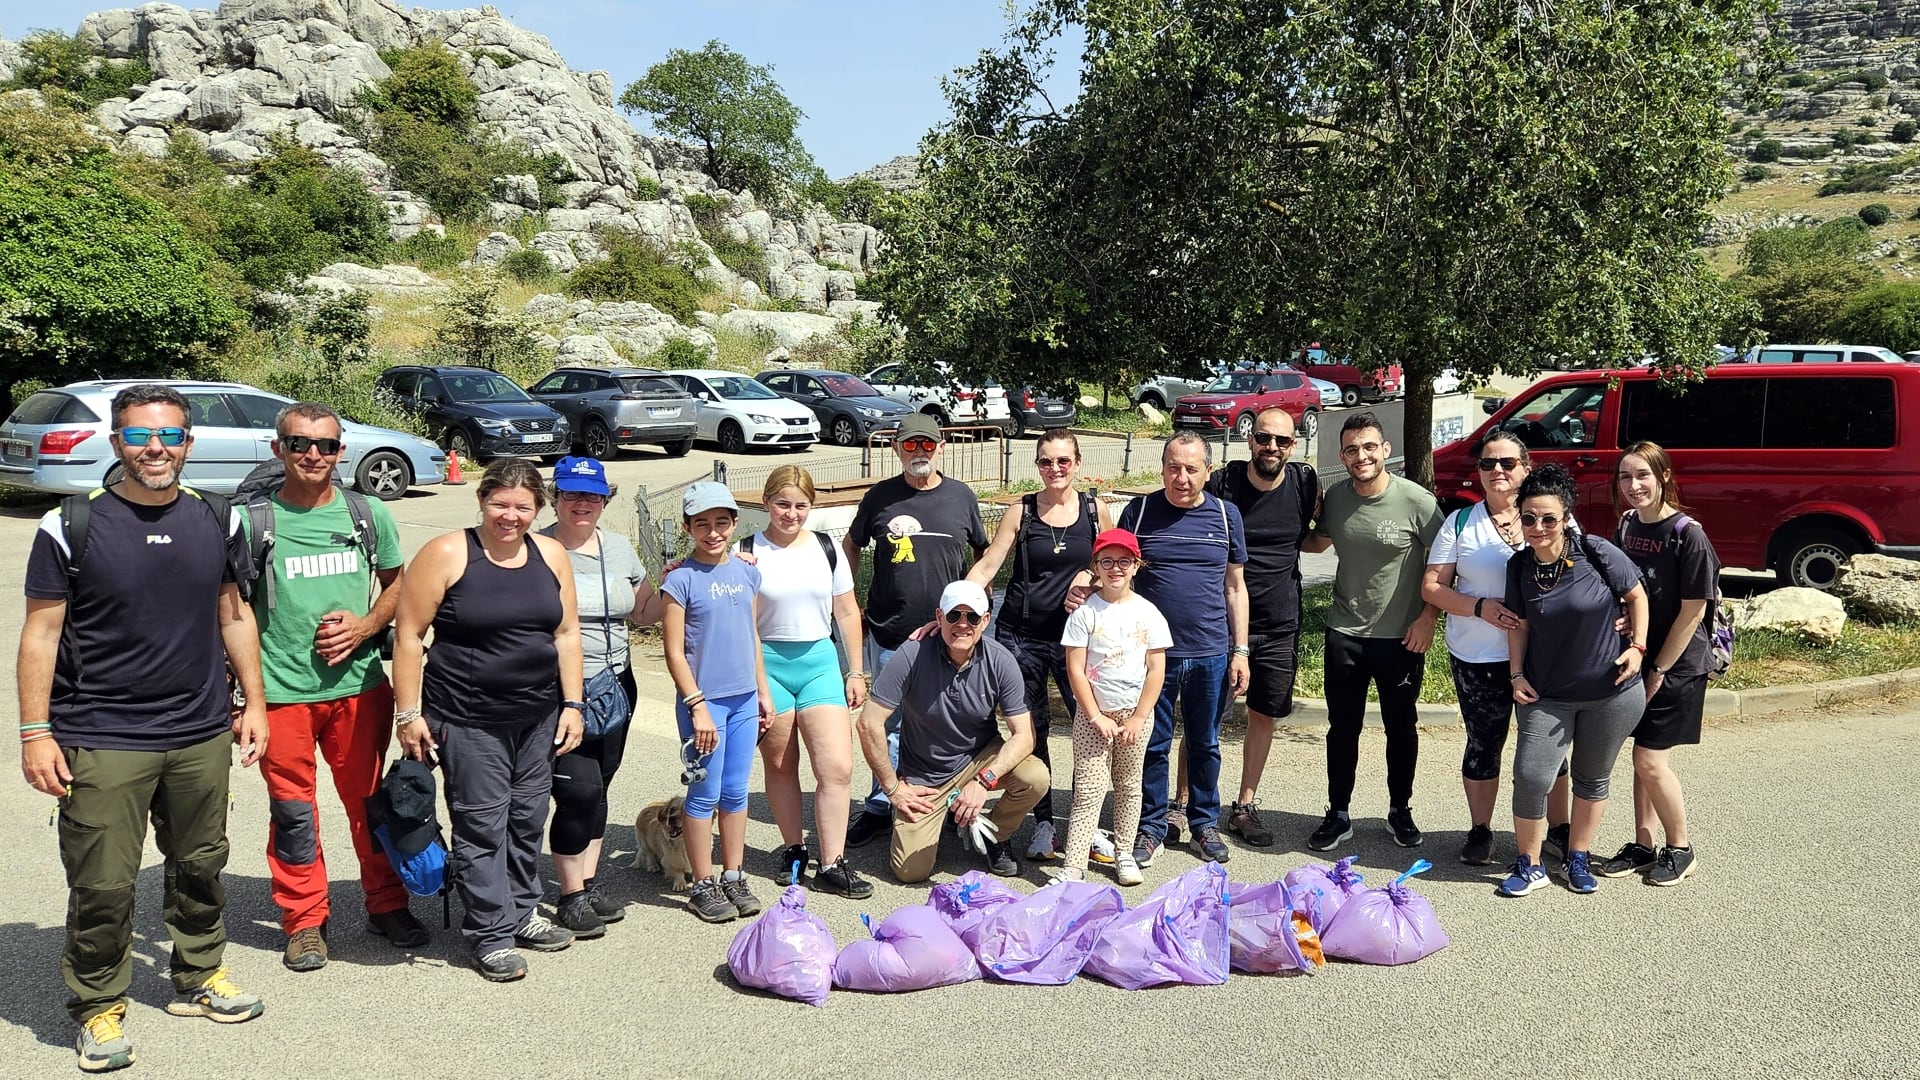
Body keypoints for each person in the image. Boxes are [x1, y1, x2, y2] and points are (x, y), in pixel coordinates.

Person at [19, 384, 270, 1072]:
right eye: (137, 436)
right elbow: (41, 635)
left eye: (167, 436)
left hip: (200, 729)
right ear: (116, 443)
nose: (153, 449)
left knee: (200, 864)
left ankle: (198, 976)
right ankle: (98, 1008)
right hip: (102, 734)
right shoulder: (70, 524)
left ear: (188, 443)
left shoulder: (218, 519)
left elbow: (233, 616)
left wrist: (254, 703)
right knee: (103, 882)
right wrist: (35, 733)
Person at [244, 402, 427, 972]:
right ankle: (304, 921)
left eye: (324, 445)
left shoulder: (367, 513)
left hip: (360, 687)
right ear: (279, 450)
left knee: (371, 805)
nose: (313, 455)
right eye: (299, 444)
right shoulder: (252, 521)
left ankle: (387, 904)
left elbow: (401, 586)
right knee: (294, 814)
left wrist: (367, 625)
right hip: (281, 693)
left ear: (341, 451)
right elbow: (227, 612)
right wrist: (242, 697)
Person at [393, 460, 586, 981]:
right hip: (468, 718)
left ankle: (522, 912)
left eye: (523, 507)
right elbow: (409, 636)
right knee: (482, 825)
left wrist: (573, 704)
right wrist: (408, 714)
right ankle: (489, 933)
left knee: (526, 820)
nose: (511, 516)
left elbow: (566, 633)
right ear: (482, 501)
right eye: (501, 504)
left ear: (538, 509)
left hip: (539, 715)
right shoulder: (448, 553)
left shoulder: (550, 554)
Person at [1498, 464, 1650, 897]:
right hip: (1546, 695)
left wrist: (1637, 647)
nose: (1538, 527)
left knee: (1592, 777)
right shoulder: (1518, 566)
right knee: (1530, 776)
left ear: (1566, 517)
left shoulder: (1597, 552)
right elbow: (1518, 624)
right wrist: (1516, 674)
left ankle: (1577, 856)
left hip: (1612, 692)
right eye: (1528, 518)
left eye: (1549, 518)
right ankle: (1528, 864)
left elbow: (1637, 596)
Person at [1420, 432, 1571, 867]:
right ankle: (1481, 830)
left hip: (1544, 656)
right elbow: (1432, 587)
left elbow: (1584, 575)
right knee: (1483, 744)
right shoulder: (1462, 523)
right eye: (1488, 464)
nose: (1497, 471)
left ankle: (1558, 829)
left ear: (1525, 467)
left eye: (1507, 462)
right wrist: (1479, 607)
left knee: (1548, 747)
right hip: (1479, 656)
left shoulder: (1550, 515)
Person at [963, 429, 1112, 861]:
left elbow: (1119, 564)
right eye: (1046, 461)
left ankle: (1088, 824)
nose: (1055, 469)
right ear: (1038, 465)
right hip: (1021, 636)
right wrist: (953, 608)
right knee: (1031, 731)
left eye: (1063, 461)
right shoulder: (1021, 511)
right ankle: (1043, 823)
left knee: (1090, 728)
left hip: (1078, 641)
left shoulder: (1094, 509)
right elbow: (989, 565)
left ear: (1078, 463)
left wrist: (1091, 576)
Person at [842, 414, 988, 849]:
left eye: (926, 444)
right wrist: (850, 596)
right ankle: (880, 805)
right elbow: (851, 544)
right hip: (891, 632)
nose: (918, 452)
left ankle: (944, 801)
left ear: (940, 447)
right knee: (888, 725)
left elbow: (985, 552)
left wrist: (972, 607)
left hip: (953, 635)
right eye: (910, 446)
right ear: (896, 449)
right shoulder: (880, 497)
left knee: (947, 721)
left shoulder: (961, 497)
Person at [1301, 412, 1443, 851]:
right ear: (1341, 456)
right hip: (1344, 632)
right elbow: (1316, 542)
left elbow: (1446, 564)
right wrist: (1267, 530)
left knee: (1402, 728)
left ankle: (1400, 811)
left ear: (1385, 450)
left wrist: (1427, 618)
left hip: (1402, 637)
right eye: (1351, 449)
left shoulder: (1417, 501)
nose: (1360, 456)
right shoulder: (1338, 498)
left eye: (1368, 447)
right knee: (1342, 729)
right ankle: (1338, 813)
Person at [540, 456, 663, 938]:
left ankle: (586, 884)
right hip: (559, 686)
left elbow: (644, 612)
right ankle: (568, 895)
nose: (582, 503)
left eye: (592, 495)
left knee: (602, 785)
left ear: (606, 499)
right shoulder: (537, 546)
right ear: (556, 497)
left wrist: (674, 579)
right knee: (578, 789)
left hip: (616, 681)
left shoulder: (618, 548)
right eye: (572, 494)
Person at [858, 581, 1049, 883]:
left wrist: (984, 781)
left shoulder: (1000, 660)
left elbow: (1024, 735)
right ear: (939, 616)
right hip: (926, 776)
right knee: (910, 872)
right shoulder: (912, 654)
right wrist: (893, 789)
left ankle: (994, 835)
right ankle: (946, 813)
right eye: (953, 615)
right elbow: (868, 723)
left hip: (979, 759)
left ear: (986, 620)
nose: (963, 624)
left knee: (1036, 777)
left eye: (972, 617)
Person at [1118, 432, 1249, 867]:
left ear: (1208, 472)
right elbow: (1119, 580)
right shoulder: (1138, 514)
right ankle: (1152, 826)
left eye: (1192, 469)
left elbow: (1235, 587)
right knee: (1152, 745)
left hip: (1211, 652)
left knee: (1205, 743)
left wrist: (1241, 650)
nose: (1182, 477)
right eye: (1173, 467)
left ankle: (1203, 824)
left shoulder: (1227, 517)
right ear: (1162, 467)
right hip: (1152, 656)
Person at [1191, 405, 1319, 849]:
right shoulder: (1222, 483)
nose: (1272, 447)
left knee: (1264, 714)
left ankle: (1244, 806)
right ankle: (1185, 803)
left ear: (1293, 445)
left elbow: (1316, 535)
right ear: (1250, 439)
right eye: (1264, 438)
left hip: (1280, 623)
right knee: (1203, 715)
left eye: (1282, 441)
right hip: (1219, 622)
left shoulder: (1304, 484)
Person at [743, 466, 873, 899]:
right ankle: (795, 849)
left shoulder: (826, 547)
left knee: (836, 767)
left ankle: (833, 861)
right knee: (781, 765)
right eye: (782, 504)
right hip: (767, 663)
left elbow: (848, 612)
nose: (791, 513)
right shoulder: (745, 551)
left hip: (819, 660)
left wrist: (856, 669)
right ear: (766, 502)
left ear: (811, 507)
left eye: (801, 505)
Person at [1602, 441, 1716, 886]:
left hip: (1677, 663)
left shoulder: (1689, 534)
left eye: (1643, 476)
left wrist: (1658, 670)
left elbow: (1693, 613)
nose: (1633, 486)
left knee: (1650, 760)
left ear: (1664, 476)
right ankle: (1644, 846)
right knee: (1641, 758)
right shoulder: (1628, 525)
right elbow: (1627, 587)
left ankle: (1681, 848)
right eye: (1625, 477)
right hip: (1641, 653)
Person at [661, 482, 774, 923]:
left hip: (744, 699)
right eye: (702, 524)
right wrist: (696, 704)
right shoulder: (679, 579)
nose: (713, 532)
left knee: (735, 791)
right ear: (688, 527)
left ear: (734, 524)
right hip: (704, 706)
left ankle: (733, 874)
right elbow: (674, 652)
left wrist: (763, 692)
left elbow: (753, 638)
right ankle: (702, 884)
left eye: (721, 522)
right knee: (704, 793)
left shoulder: (747, 572)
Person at [1057, 530, 1169, 886]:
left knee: (1128, 785)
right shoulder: (1085, 613)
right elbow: (1074, 667)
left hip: (1134, 717)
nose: (1115, 569)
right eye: (1107, 562)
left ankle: (1123, 853)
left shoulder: (1149, 612)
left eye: (1124, 562)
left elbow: (1156, 668)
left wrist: (1138, 716)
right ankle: (1074, 865)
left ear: (1136, 566)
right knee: (1088, 790)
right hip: (1094, 717)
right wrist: (1093, 715)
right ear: (1095, 567)